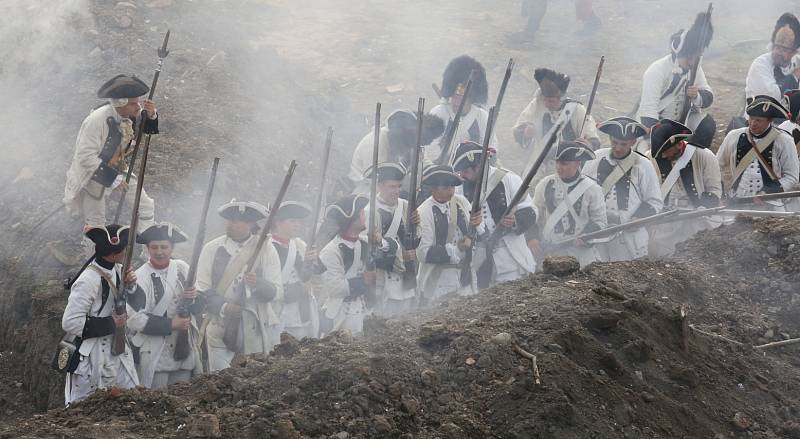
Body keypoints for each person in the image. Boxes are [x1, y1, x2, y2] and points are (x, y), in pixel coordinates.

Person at [63, 75, 159, 260]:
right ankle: (93, 262)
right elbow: (85, 157)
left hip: (116, 168)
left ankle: (150, 252)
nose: (137, 107)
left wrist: (152, 114)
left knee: (145, 205)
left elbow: (148, 129)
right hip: (92, 174)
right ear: (120, 103)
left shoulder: (126, 112)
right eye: (133, 103)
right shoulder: (96, 120)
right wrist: (113, 180)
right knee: (96, 223)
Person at [196, 200, 283, 372]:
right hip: (220, 326)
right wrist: (225, 307)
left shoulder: (266, 249)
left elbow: (277, 291)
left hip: (254, 328)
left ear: (250, 223)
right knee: (220, 380)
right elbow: (202, 289)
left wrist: (257, 283)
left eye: (237, 221)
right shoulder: (212, 248)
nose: (231, 224)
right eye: (229, 220)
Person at [62, 224, 138, 405]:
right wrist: (111, 323)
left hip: (117, 350)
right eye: (125, 248)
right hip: (92, 356)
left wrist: (131, 286)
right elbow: (70, 322)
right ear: (115, 252)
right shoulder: (88, 279)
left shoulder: (118, 270)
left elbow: (139, 304)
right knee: (84, 410)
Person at [452, 142, 537, 287]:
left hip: (511, 257)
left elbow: (531, 211)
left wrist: (514, 221)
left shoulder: (509, 179)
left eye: (465, 171)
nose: (462, 175)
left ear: (478, 167)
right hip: (479, 259)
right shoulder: (459, 189)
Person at [126, 223, 200, 389]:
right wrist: (171, 324)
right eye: (154, 247)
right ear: (148, 248)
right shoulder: (140, 276)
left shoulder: (182, 268)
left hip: (183, 349)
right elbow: (134, 319)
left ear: (171, 248)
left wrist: (194, 297)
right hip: (155, 351)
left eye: (164, 247)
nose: (159, 252)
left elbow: (201, 303)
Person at [583, 117, 663, 261]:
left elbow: (654, 201)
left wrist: (637, 218)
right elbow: (582, 192)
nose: (618, 148)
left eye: (623, 144)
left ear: (633, 142)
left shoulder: (643, 165)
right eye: (615, 142)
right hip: (597, 234)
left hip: (628, 237)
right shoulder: (595, 158)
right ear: (609, 138)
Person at [637, 12, 716, 148]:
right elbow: (648, 111)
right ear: (682, 52)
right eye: (690, 57)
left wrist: (696, 95)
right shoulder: (657, 70)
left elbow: (708, 96)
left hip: (683, 122)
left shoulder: (695, 67)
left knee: (707, 124)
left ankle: (692, 160)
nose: (693, 62)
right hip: (658, 124)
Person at [513, 68, 601, 188]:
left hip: (569, 166)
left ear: (561, 98)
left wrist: (587, 143)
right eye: (545, 100)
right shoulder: (537, 104)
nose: (547, 104)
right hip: (540, 164)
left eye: (551, 100)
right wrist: (526, 132)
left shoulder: (577, 110)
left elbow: (592, 139)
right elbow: (519, 127)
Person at [647, 119, 722, 256]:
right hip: (665, 222)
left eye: (666, 151)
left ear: (679, 144)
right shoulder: (651, 158)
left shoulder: (704, 155)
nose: (663, 156)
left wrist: (704, 207)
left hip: (695, 220)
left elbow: (714, 190)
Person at [531, 141, 607, 267]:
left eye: (564, 164)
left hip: (581, 256)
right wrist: (532, 238)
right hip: (551, 254)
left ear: (577, 163)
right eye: (557, 162)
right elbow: (534, 215)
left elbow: (600, 221)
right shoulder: (544, 184)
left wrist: (586, 236)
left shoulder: (592, 188)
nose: (558, 167)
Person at [717, 96, 800, 209]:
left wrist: (769, 192)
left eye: (758, 120)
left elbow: (792, 177)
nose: (752, 124)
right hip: (737, 201)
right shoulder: (733, 136)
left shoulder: (784, 140)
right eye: (751, 118)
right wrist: (719, 194)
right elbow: (716, 166)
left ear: (770, 120)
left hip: (771, 204)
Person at [362, 163, 418, 317]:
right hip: (383, 276)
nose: (397, 191)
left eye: (399, 186)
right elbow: (369, 250)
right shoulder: (369, 211)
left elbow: (417, 239)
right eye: (392, 187)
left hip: (406, 275)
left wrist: (417, 227)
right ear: (380, 186)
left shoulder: (406, 206)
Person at [416, 165, 477, 301]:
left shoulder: (461, 202)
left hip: (465, 276)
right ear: (433, 189)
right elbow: (423, 253)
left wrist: (476, 228)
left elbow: (475, 230)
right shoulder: (424, 212)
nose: (450, 192)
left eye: (452, 187)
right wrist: (456, 249)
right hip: (438, 281)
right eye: (445, 188)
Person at [347, 110, 443, 195]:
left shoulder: (410, 141)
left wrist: (438, 175)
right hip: (367, 191)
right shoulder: (375, 142)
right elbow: (377, 181)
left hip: (395, 189)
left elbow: (424, 164)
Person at [318, 195, 374, 335]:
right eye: (361, 213)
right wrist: (363, 281)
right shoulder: (331, 251)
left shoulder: (365, 242)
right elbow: (335, 287)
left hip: (362, 309)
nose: (364, 215)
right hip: (340, 314)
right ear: (352, 219)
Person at [429, 55, 498, 165]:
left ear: (471, 98)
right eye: (454, 96)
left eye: (460, 98)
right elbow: (430, 147)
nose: (455, 102)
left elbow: (491, 148)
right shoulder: (438, 113)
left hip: (473, 172)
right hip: (442, 173)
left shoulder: (482, 117)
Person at [270, 201, 320, 340]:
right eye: (292, 221)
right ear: (278, 222)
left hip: (301, 311)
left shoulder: (298, 244)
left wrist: (311, 261)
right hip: (278, 311)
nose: (297, 225)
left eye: (298, 221)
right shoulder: (268, 247)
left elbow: (308, 275)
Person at [746, 13, 800, 102]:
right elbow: (769, 98)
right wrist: (794, 77)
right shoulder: (760, 64)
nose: (779, 52)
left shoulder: (797, 62)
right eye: (777, 47)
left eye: (785, 50)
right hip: (763, 114)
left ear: (794, 52)